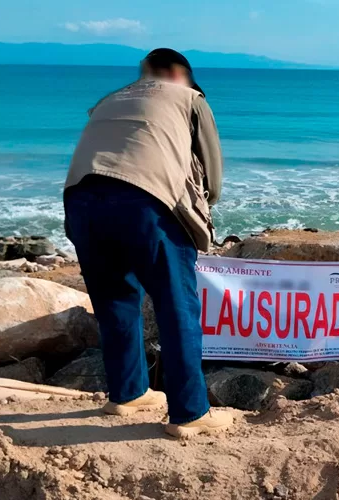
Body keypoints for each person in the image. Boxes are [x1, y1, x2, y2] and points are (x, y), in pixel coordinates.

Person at [64, 48, 232, 438]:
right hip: (145, 203)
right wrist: (205, 205)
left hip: (80, 201)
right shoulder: (190, 97)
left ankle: (127, 394)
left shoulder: (108, 100)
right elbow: (213, 173)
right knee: (177, 307)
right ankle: (190, 413)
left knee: (115, 301)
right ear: (178, 74)